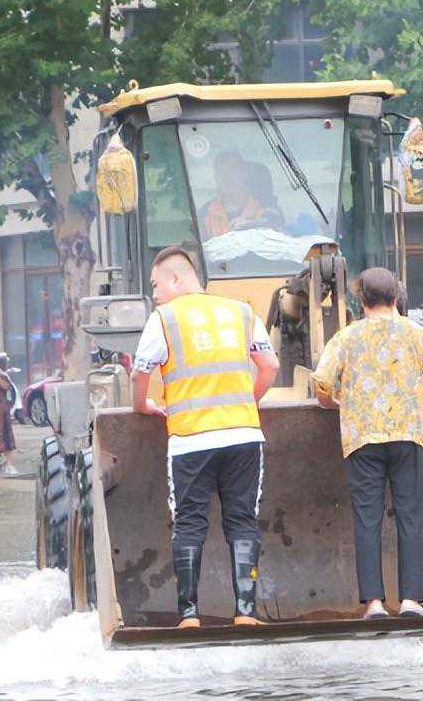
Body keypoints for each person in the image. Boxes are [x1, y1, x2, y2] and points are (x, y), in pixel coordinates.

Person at [131, 246, 280, 629]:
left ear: (176, 278)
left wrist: (142, 406)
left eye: (156, 285)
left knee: (190, 522)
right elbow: (270, 365)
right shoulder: (242, 313)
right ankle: (245, 613)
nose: (155, 294)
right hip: (243, 436)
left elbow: (140, 372)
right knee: (242, 520)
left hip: (191, 439)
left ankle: (189, 616)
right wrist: (247, 401)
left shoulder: (164, 319)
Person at [312, 267, 423, 620]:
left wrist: (336, 402)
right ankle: (411, 601)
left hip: (362, 436)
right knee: (410, 516)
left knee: (367, 518)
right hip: (409, 433)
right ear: (396, 297)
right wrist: (420, 395)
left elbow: (322, 384)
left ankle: (374, 604)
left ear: (360, 300)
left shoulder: (345, 338)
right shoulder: (415, 333)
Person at [200, 152, 271, 237]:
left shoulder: (266, 205)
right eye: (221, 172)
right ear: (216, 179)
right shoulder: (204, 213)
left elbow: (276, 227)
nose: (227, 177)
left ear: (245, 173)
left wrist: (253, 224)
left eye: (232, 171)